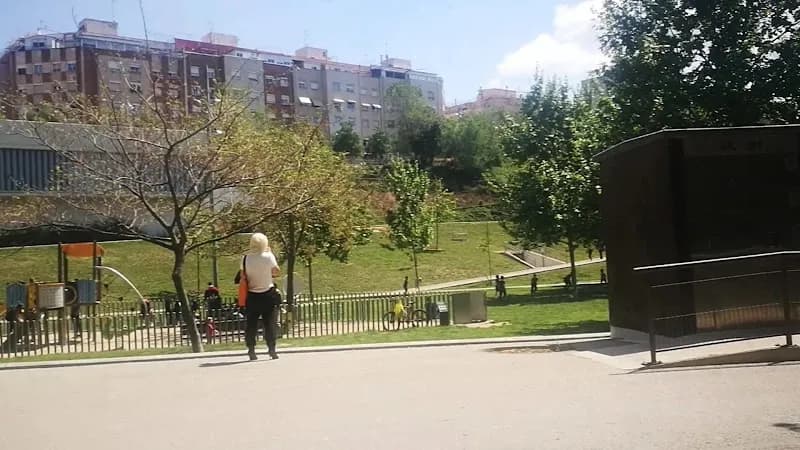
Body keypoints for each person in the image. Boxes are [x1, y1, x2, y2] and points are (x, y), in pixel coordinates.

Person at [240, 232, 282, 361]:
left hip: (252, 296)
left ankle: (251, 350)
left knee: (251, 324)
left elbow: (242, 276)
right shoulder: (269, 256)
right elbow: (276, 272)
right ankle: (272, 350)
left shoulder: (245, 258)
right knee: (270, 324)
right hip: (268, 294)